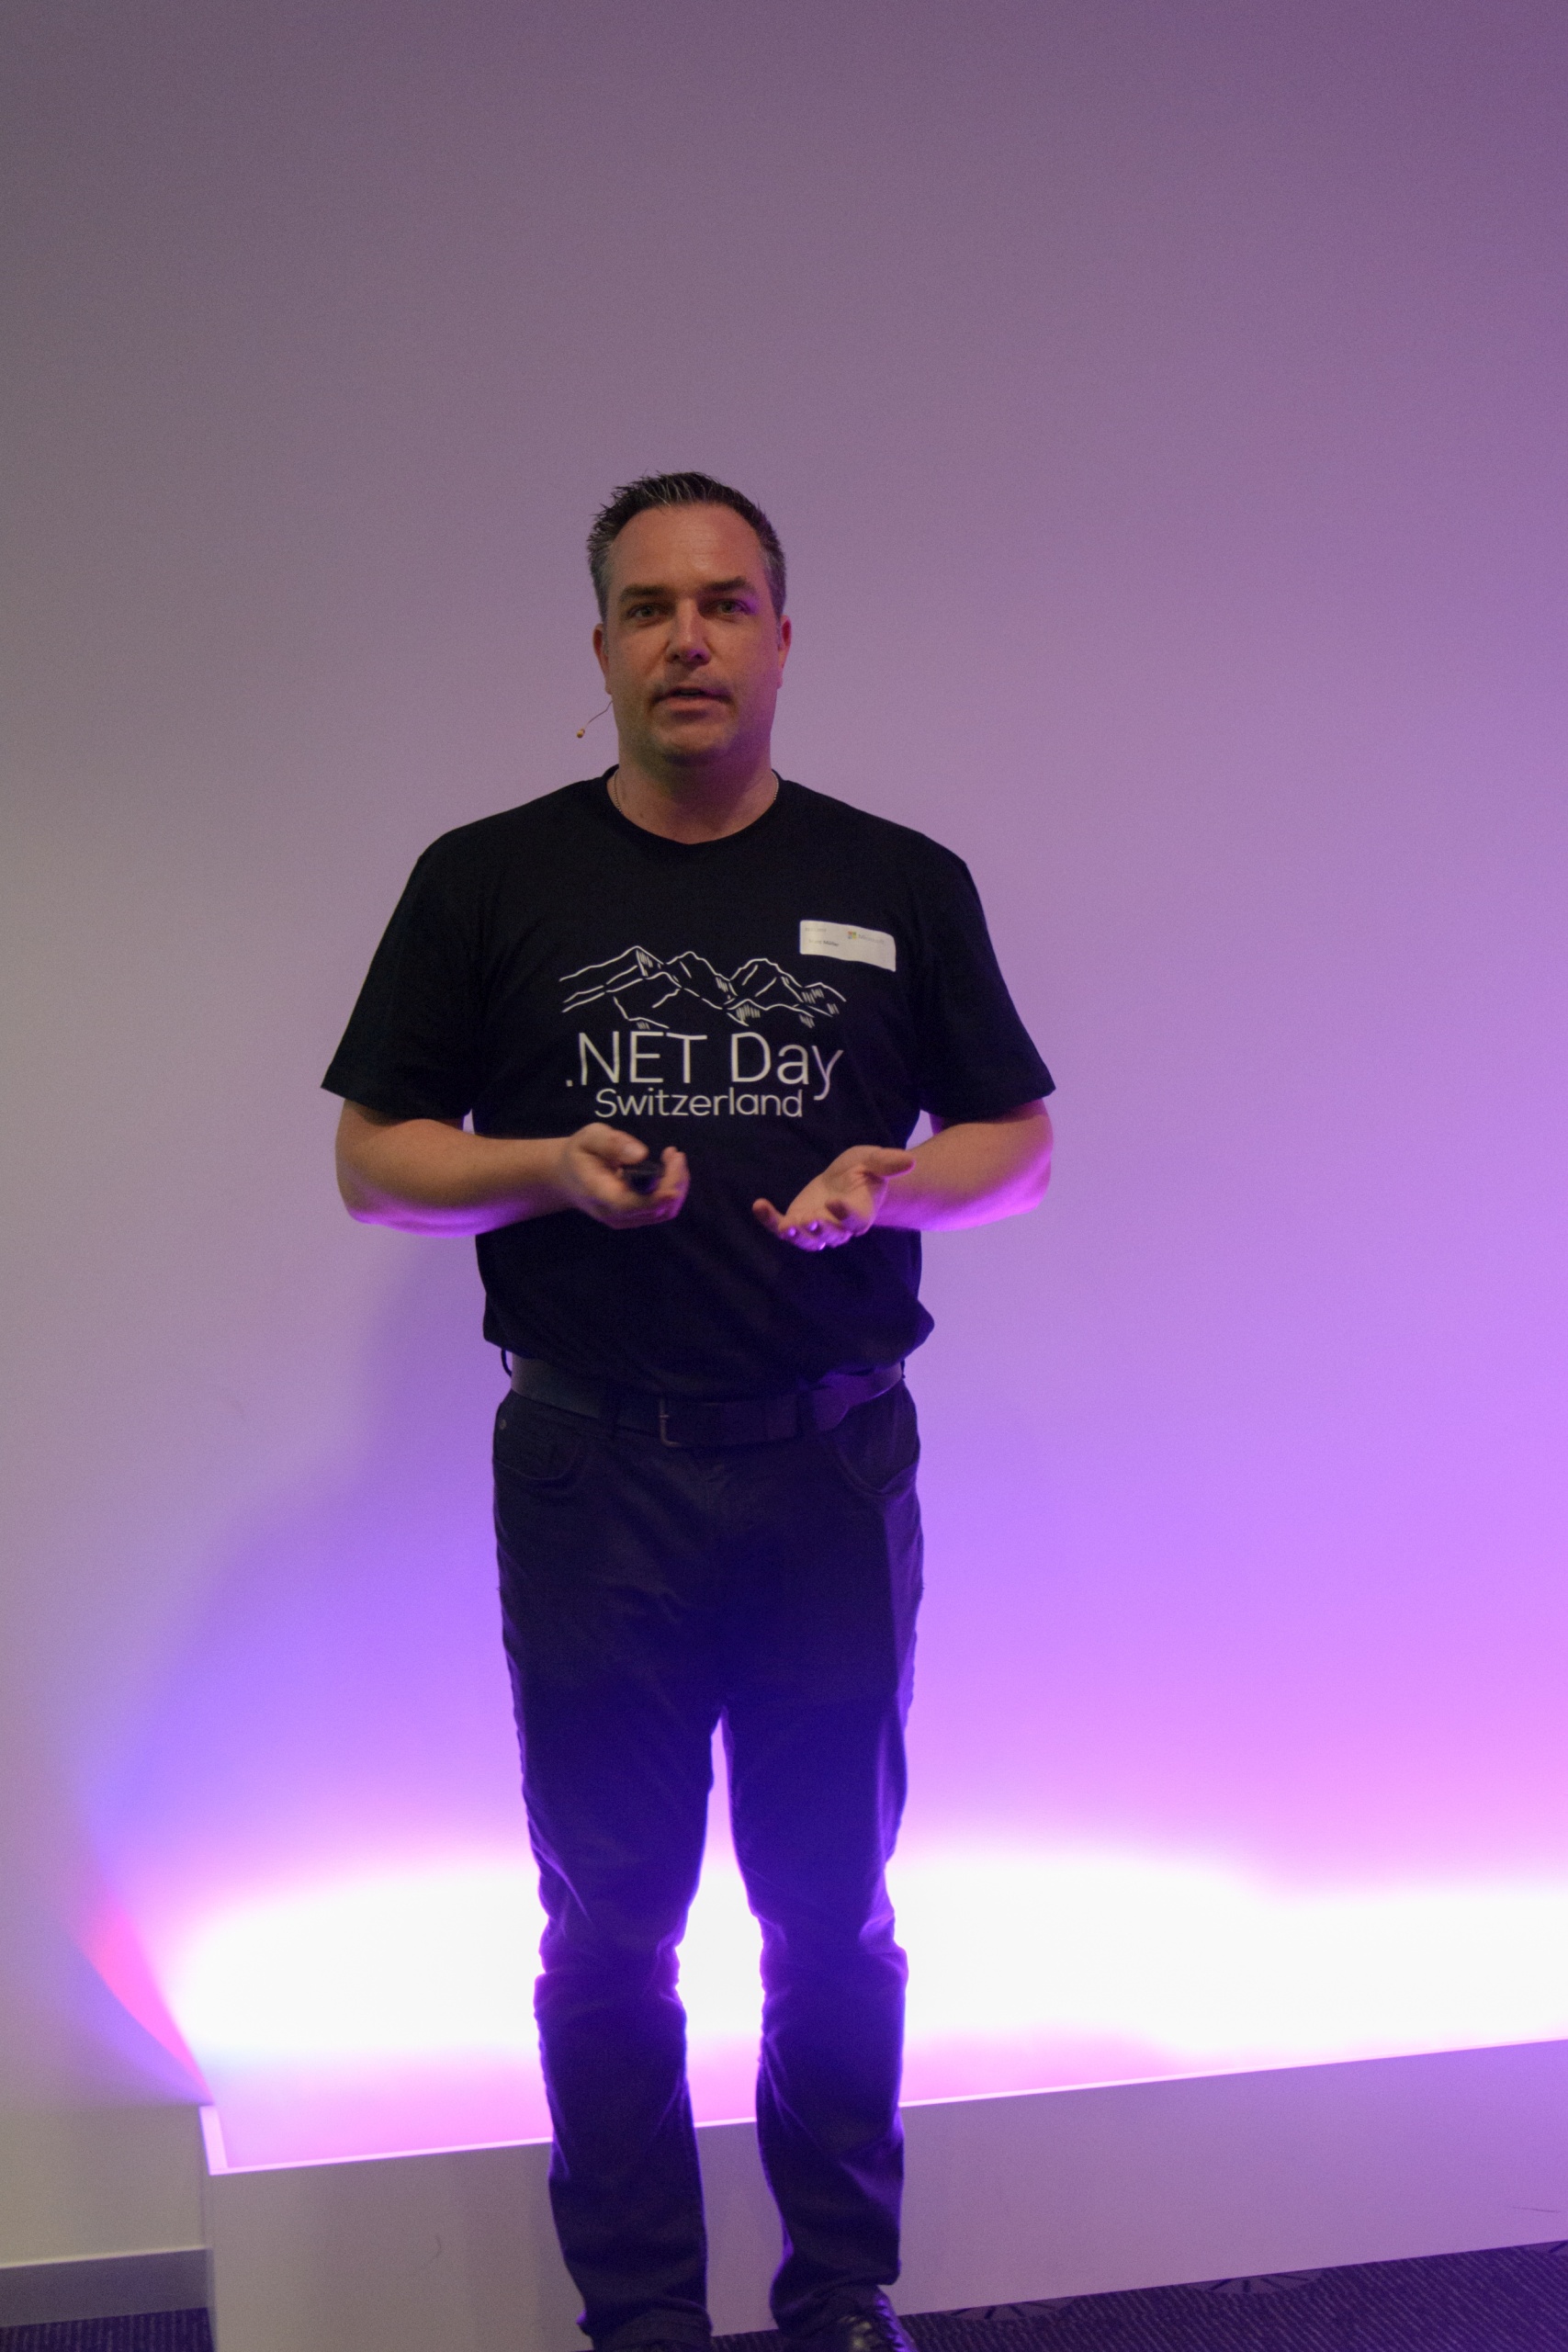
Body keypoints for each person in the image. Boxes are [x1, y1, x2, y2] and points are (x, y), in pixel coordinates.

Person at [323, 472, 1054, 2352]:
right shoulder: (487, 880)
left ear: (781, 638)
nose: (687, 639)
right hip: (595, 1475)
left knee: (833, 1910)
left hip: (831, 1464)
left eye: (724, 603)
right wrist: (542, 1168)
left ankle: (841, 2292)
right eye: (648, 608)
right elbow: (377, 1159)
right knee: (610, 1923)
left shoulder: (900, 880)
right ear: (600, 649)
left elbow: (1018, 1142)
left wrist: (894, 1180)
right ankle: (640, 2315)